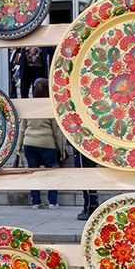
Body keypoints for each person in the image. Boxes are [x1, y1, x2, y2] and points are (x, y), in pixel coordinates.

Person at [18, 78, 65, 209]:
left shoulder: (29, 106)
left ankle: (36, 202)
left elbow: (22, 128)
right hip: (47, 144)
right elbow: (57, 131)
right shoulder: (50, 106)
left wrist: (18, 146)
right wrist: (61, 149)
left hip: (29, 143)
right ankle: (52, 202)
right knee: (52, 173)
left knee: (33, 173)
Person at [75, 150, 100, 221]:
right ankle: (87, 207)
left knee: (86, 182)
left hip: (83, 152)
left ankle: (90, 209)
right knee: (87, 183)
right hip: (86, 152)